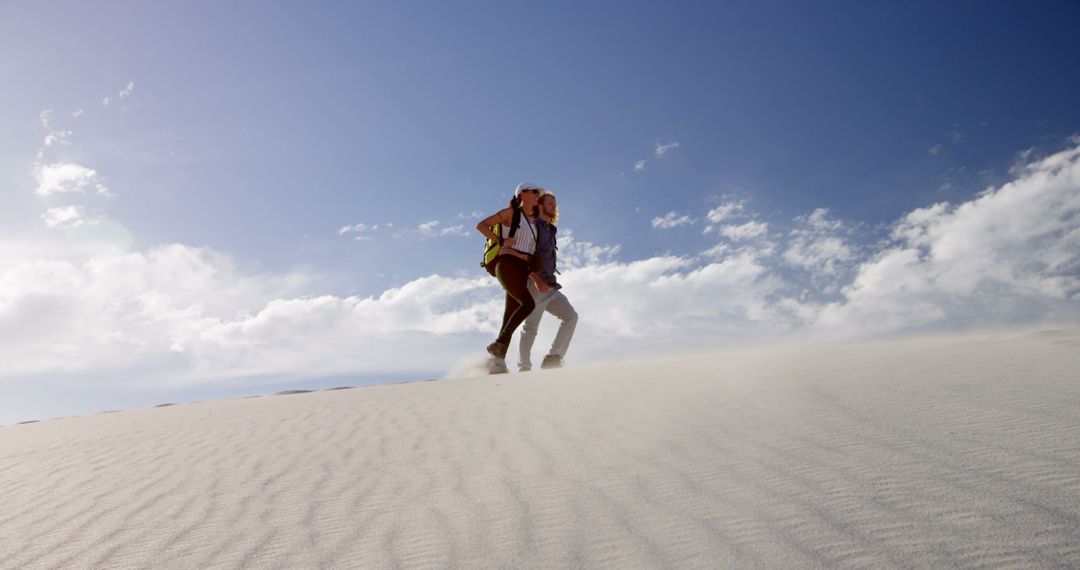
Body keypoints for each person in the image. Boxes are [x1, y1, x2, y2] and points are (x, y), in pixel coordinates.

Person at [476, 183, 543, 373]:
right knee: (528, 305)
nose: (538, 195)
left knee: (510, 316)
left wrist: (535, 276)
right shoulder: (510, 213)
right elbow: (481, 225)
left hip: (522, 270)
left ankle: (496, 363)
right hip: (506, 265)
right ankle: (498, 344)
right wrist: (501, 241)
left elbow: (527, 252)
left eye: (538, 193)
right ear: (522, 194)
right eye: (535, 192)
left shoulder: (533, 224)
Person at [519, 192, 577, 371]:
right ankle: (524, 367)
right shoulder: (532, 227)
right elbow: (523, 257)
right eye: (550, 203)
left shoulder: (550, 229)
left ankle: (553, 357)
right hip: (536, 285)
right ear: (540, 206)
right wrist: (535, 280)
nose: (554, 206)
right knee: (531, 327)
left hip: (551, 286)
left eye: (555, 204)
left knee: (570, 316)